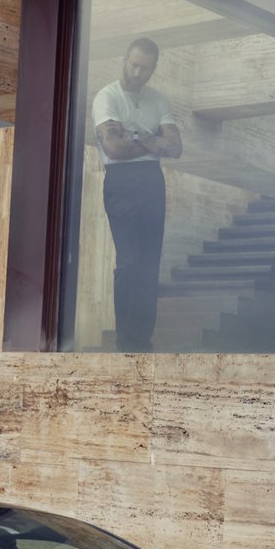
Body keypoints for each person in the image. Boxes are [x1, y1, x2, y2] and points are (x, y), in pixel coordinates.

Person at [91, 37, 180, 351]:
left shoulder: (159, 101)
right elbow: (114, 148)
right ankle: (126, 342)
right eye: (134, 64)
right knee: (129, 262)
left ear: (153, 70)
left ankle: (143, 341)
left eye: (144, 68)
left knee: (149, 264)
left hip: (152, 181)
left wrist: (137, 138)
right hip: (122, 181)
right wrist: (152, 141)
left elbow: (176, 147)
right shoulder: (108, 97)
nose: (137, 72)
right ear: (124, 60)